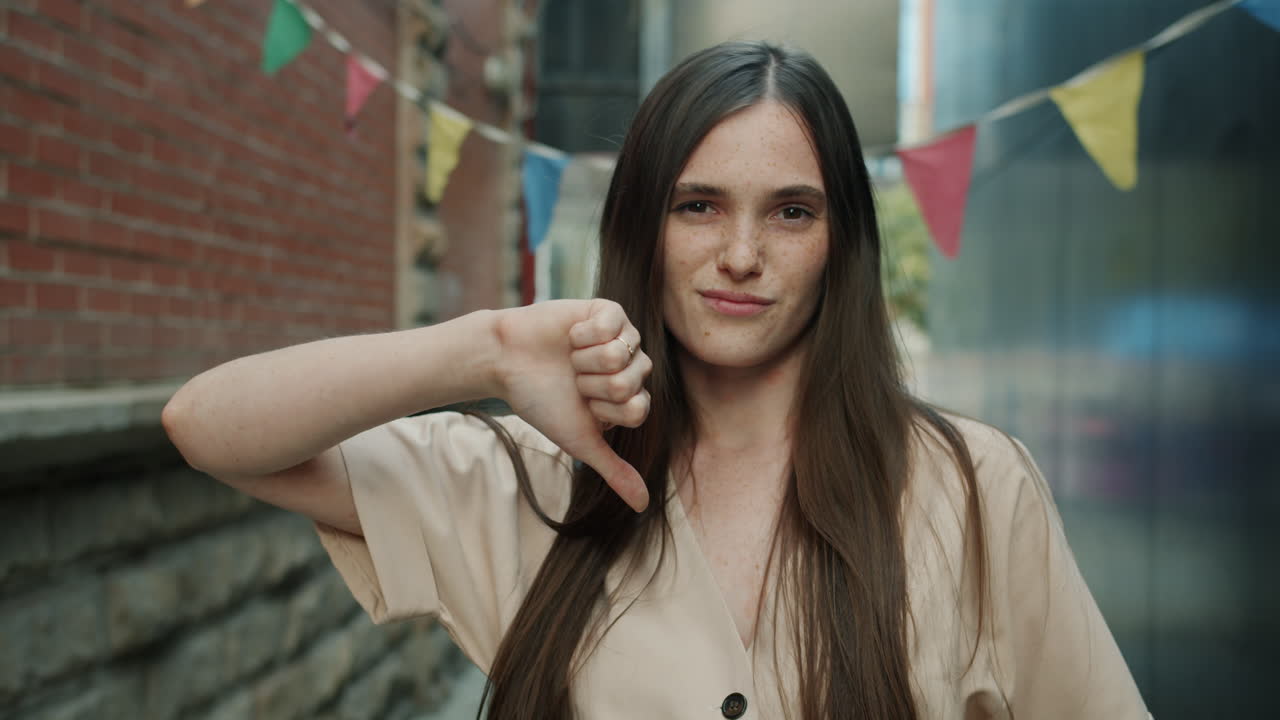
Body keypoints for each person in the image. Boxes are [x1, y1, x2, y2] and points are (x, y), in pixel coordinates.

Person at [162, 41, 1149, 720]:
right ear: (643, 226)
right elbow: (207, 425)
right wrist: (489, 347)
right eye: (698, 205)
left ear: (840, 242)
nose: (741, 254)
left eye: (791, 212)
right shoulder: (533, 479)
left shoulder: (973, 488)